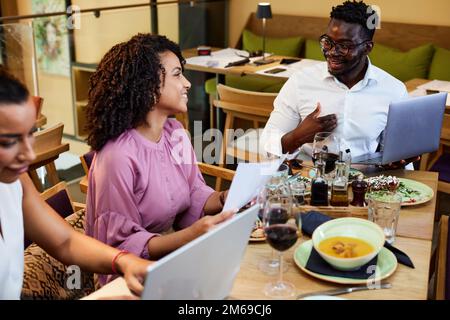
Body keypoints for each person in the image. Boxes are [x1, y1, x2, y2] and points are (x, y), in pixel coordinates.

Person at [84, 34, 233, 285]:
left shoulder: (175, 133)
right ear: (148, 85)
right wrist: (190, 235)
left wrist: (223, 198)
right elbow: (122, 247)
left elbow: (194, 191)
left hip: (174, 259)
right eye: (177, 74)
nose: (186, 83)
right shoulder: (117, 157)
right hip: (134, 278)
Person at [0, 67, 151, 300]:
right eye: (10, 142)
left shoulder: (13, 181)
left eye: (30, 133)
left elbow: (65, 241)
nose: (29, 155)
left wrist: (123, 261)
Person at [261, 0, 418, 169]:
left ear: (367, 47)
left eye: (344, 46)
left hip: (366, 186)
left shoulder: (393, 91)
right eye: (328, 42)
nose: (332, 52)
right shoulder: (300, 82)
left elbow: (400, 158)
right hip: (310, 181)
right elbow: (266, 146)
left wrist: (399, 162)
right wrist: (298, 137)